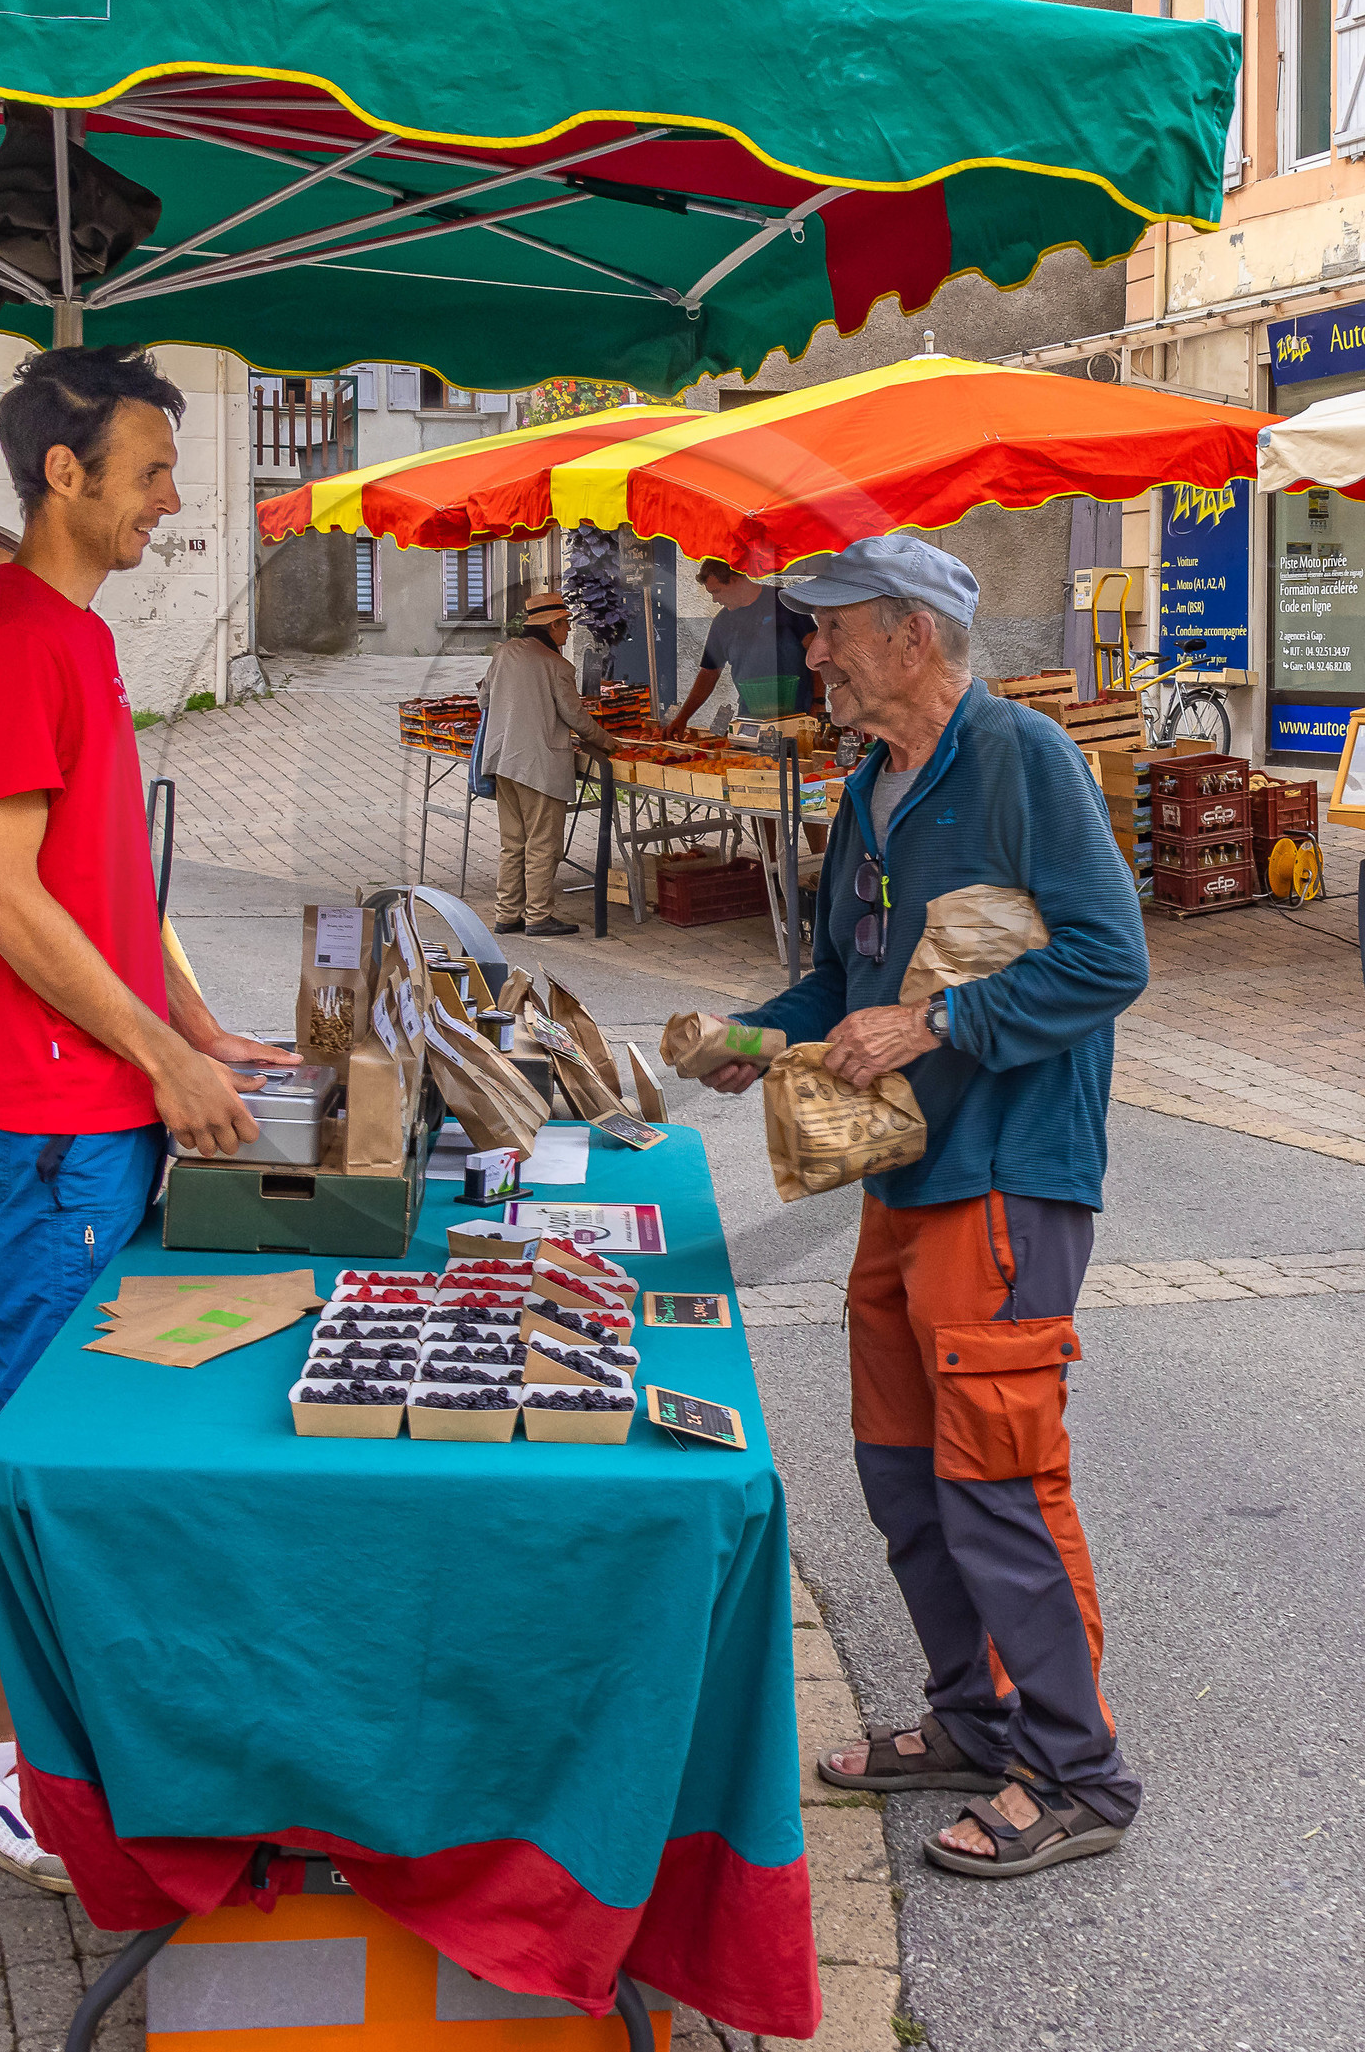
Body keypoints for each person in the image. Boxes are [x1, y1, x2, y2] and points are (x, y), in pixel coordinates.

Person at [699, 535, 1150, 1880]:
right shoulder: (867, 786)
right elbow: (841, 978)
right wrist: (747, 1030)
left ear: (909, 632)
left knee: (1001, 1477)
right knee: (905, 1474)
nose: (814, 655)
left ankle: (1079, 1774)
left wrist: (939, 1020)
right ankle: (974, 1717)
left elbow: (1108, 955)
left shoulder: (1019, 755)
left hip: (1009, 1175)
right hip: (906, 1176)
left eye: (831, 630)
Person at [0, 343, 296, 1891]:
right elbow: (9, 901)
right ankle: (1, 1772)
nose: (165, 498)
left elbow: (105, 891)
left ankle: (67, 1722)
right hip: (63, 1116)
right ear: (60, 474)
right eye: (145, 467)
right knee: (50, 1446)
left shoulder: (71, 635)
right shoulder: (14, 635)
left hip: (100, 1101)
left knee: (86, 1428)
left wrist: (202, 1030)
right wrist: (159, 1060)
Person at [477, 588, 622, 937]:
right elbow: (576, 717)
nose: (569, 630)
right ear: (554, 625)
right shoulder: (556, 665)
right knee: (543, 843)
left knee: (512, 842)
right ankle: (539, 916)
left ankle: (507, 913)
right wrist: (608, 743)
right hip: (538, 765)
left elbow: (483, 699)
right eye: (566, 625)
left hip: (501, 760)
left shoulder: (504, 654)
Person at [661, 558, 818, 737]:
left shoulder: (783, 602)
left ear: (735, 580)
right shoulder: (722, 623)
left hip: (799, 715)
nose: (714, 600)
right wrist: (683, 718)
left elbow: (815, 655)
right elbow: (708, 673)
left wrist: (819, 702)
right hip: (751, 718)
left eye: (717, 591)